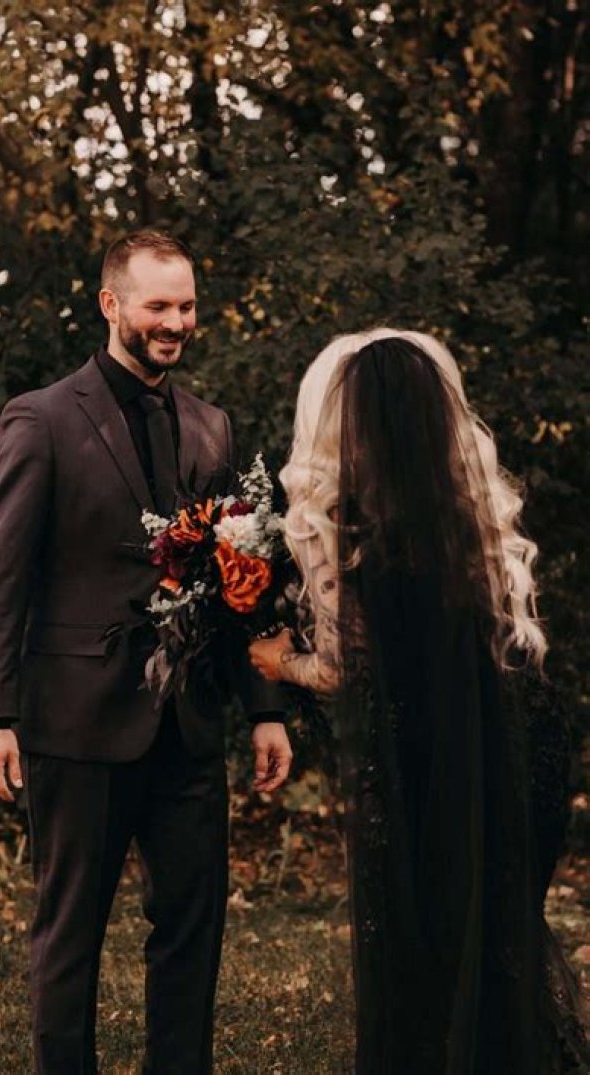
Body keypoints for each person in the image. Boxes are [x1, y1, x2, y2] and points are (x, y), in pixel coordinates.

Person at [0, 229, 292, 1075]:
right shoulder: (40, 418)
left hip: (189, 724)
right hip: (76, 721)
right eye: (157, 304)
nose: (175, 321)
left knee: (193, 925)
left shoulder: (211, 426)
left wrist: (265, 711)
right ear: (111, 305)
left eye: (185, 305)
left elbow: (243, 572)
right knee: (68, 931)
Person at [250, 328, 588, 1074]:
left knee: (428, 946)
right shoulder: (470, 521)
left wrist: (280, 659)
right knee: (502, 939)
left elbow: (347, 671)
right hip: (527, 749)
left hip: (427, 772)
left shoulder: (370, 540)